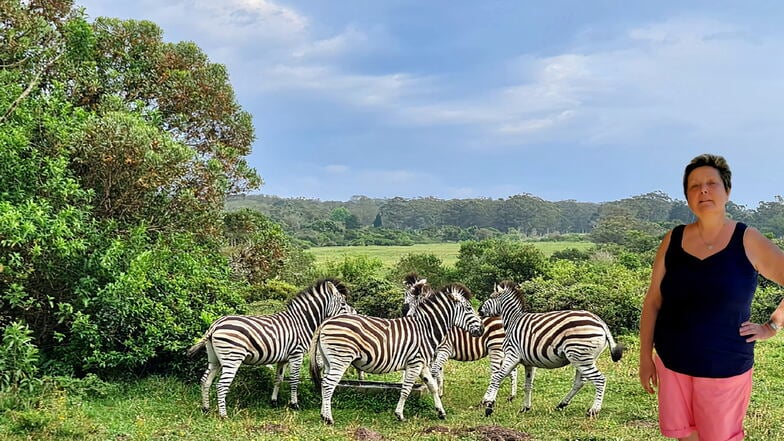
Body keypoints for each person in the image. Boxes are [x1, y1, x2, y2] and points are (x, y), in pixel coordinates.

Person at [638, 153, 784, 441]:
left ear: (727, 191)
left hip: (725, 366)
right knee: (685, 436)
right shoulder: (672, 239)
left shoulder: (748, 239)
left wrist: (772, 326)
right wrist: (645, 357)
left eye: (711, 183)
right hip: (672, 362)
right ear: (688, 197)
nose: (702, 190)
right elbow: (653, 301)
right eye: (694, 186)